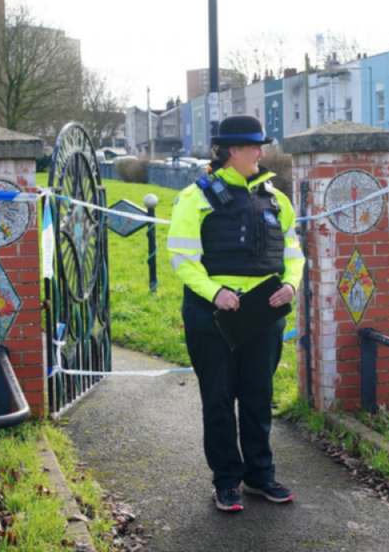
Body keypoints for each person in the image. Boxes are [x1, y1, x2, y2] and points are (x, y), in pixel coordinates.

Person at [167, 115, 305, 512]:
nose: (262, 153)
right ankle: (226, 480)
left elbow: (293, 253)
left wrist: (291, 284)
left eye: (261, 146)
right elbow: (182, 257)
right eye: (253, 146)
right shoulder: (195, 197)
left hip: (262, 313)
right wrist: (216, 293)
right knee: (219, 399)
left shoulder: (277, 199)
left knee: (259, 397)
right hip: (212, 314)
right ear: (232, 151)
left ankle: (259, 477)